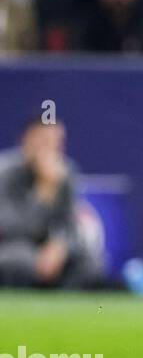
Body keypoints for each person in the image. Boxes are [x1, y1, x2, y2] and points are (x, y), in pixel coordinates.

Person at [0, 116, 103, 288]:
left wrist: (59, 247)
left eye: (57, 142)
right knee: (19, 261)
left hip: (51, 250)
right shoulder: (5, 172)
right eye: (44, 141)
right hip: (14, 248)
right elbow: (13, 228)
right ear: (26, 140)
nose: (51, 149)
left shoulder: (66, 173)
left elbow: (70, 225)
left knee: (89, 263)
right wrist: (44, 190)